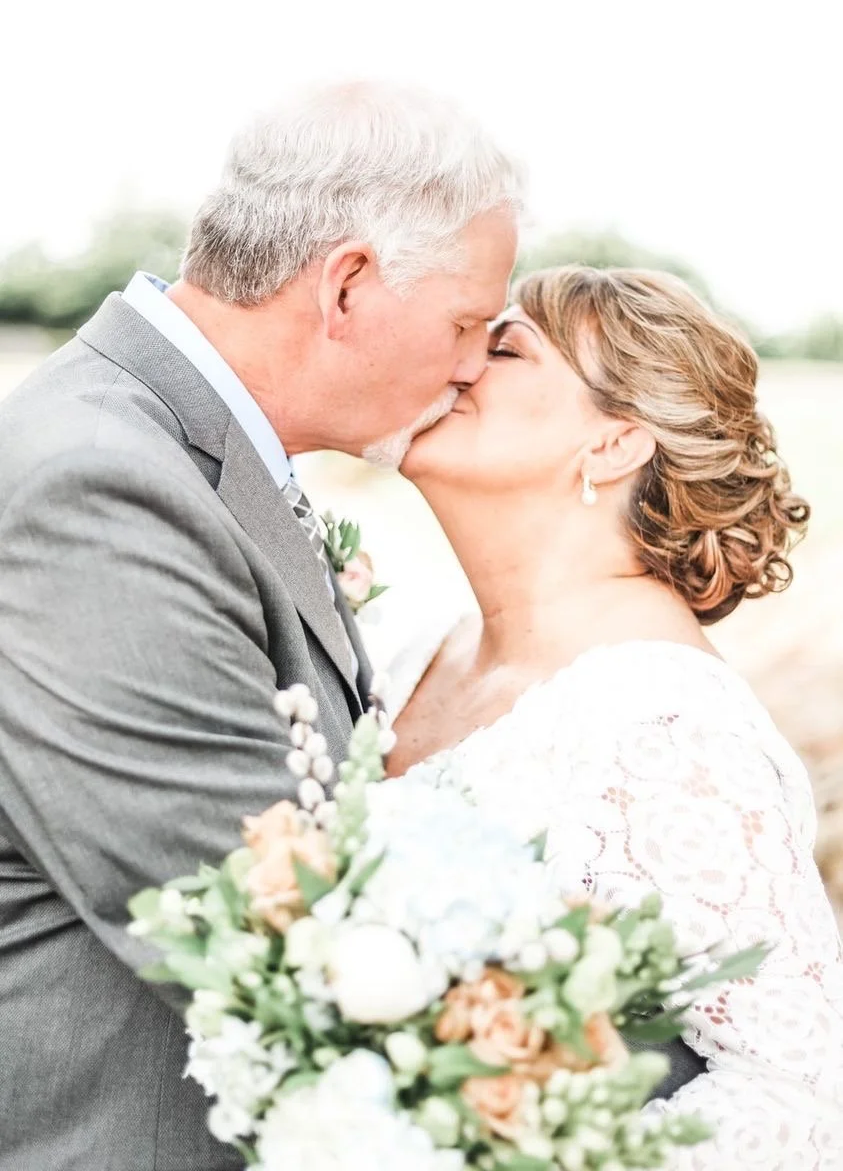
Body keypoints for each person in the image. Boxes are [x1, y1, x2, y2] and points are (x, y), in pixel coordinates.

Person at [0, 82, 521, 1171]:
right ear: (347, 286)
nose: (474, 363)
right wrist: (618, 1083)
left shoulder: (173, 448)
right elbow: (253, 911)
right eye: (467, 322)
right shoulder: (97, 485)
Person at [387, 265, 843, 1168]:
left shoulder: (671, 730)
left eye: (505, 348)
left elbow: (801, 1101)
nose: (456, 359)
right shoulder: (414, 651)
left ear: (612, 445)